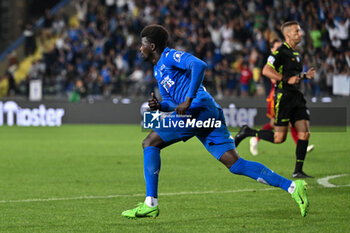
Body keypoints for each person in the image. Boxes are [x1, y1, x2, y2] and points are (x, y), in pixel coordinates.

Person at [121, 25, 309, 219]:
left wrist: (189, 98)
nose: (139, 49)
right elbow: (172, 103)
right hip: (205, 112)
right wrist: (160, 106)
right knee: (235, 164)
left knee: (149, 143)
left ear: (152, 46)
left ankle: (150, 203)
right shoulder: (158, 70)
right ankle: (293, 186)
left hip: (198, 111)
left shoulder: (169, 56)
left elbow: (199, 65)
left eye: (141, 45)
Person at [234, 21, 315, 178]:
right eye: (297, 31)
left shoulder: (296, 54)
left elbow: (293, 77)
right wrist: (285, 79)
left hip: (297, 97)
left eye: (300, 31)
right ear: (288, 35)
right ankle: (248, 132)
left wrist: (304, 76)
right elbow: (266, 70)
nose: (300, 34)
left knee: (304, 133)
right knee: (279, 138)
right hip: (283, 98)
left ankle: (298, 170)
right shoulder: (280, 53)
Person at [249, 38, 314, 156]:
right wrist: (287, 78)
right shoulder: (272, 62)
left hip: (286, 95)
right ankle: (254, 136)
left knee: (283, 122)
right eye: (278, 48)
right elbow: (274, 78)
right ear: (272, 49)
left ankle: (255, 138)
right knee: (277, 123)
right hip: (276, 96)